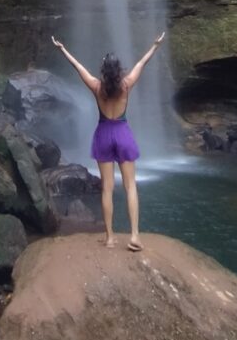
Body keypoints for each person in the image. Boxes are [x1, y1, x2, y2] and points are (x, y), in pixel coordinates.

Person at [51, 31, 166, 251]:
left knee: (107, 189)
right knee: (130, 186)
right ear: (119, 70)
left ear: (104, 70)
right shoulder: (126, 85)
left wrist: (62, 49)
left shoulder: (97, 87)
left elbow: (78, 67)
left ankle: (110, 237)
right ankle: (134, 236)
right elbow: (142, 63)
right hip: (122, 133)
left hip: (103, 134)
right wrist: (155, 45)